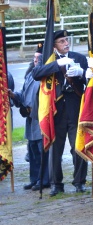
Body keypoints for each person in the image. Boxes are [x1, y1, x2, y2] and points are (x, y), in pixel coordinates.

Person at [32, 29, 93, 196]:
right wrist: (57, 65)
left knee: (79, 145)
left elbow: (89, 81)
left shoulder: (79, 58)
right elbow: (36, 74)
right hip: (55, 110)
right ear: (54, 46)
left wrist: (82, 73)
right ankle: (56, 183)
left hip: (75, 107)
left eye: (67, 40)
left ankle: (79, 181)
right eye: (62, 41)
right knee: (56, 148)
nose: (66, 43)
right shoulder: (48, 60)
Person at [13, 48, 47, 191]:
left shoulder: (45, 77)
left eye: (38, 58)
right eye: (34, 58)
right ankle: (34, 179)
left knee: (42, 152)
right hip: (30, 120)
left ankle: (44, 180)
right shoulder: (29, 76)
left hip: (40, 119)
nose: (35, 60)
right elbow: (23, 95)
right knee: (32, 153)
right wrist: (13, 95)